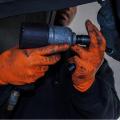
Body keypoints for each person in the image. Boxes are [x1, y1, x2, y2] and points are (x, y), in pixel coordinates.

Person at [0, 6, 120, 119]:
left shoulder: (91, 62)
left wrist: (87, 85)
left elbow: (109, 114)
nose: (66, 7)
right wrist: (2, 75)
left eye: (71, 3)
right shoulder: (11, 46)